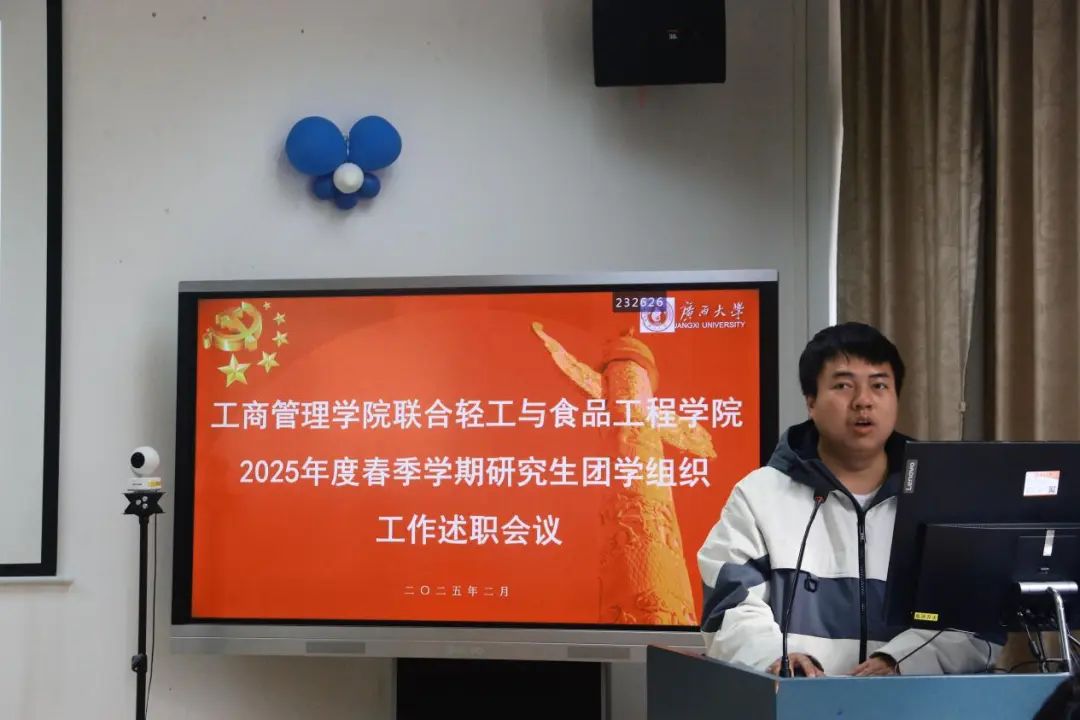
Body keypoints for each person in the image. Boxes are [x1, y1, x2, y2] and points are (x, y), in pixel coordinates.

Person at [697, 322, 999, 676]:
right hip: (798, 699)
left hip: (915, 700)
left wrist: (899, 662)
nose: (863, 401)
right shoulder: (759, 495)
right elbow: (729, 608)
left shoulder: (942, 499)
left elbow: (974, 619)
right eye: (843, 385)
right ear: (811, 401)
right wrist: (776, 658)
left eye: (879, 385)